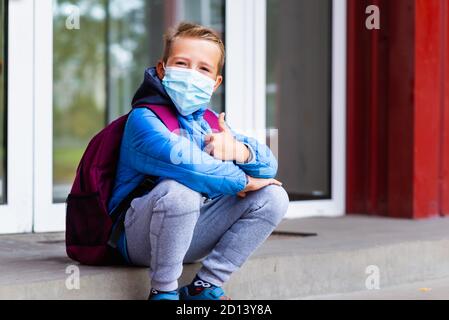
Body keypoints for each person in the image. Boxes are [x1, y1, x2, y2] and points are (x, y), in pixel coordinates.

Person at [108, 22, 289, 300]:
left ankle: (204, 286)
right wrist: (244, 181)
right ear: (162, 69)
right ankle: (164, 291)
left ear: (215, 82)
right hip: (136, 239)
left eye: (204, 68)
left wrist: (240, 152)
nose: (192, 75)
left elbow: (269, 167)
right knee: (180, 190)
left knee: (273, 196)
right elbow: (189, 165)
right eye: (182, 63)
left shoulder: (208, 122)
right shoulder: (144, 120)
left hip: (187, 234)